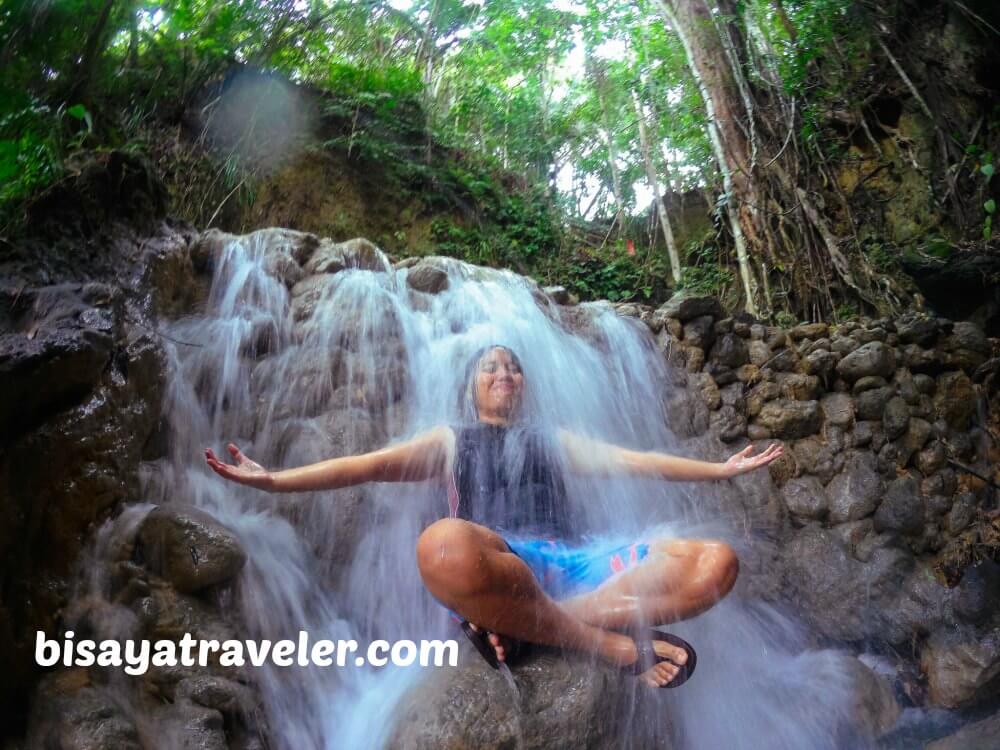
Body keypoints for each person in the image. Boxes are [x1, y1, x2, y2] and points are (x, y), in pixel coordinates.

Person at [206, 345, 783, 688]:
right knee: (441, 547)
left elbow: (640, 463)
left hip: (580, 564)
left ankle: (529, 624)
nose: (504, 372)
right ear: (472, 386)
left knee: (714, 562)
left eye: (513, 366)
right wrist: (275, 480)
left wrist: (718, 470)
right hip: (503, 563)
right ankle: (605, 643)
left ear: (524, 384)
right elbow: (366, 465)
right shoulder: (450, 441)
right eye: (490, 367)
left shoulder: (553, 440)